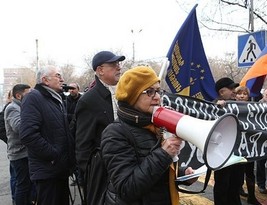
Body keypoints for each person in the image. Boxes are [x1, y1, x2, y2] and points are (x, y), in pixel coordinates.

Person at [101, 65, 197, 204]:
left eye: (158, 91)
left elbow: (155, 173)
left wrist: (182, 175)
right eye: (149, 91)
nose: (157, 97)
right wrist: (164, 154)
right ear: (132, 96)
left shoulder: (154, 125)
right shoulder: (115, 133)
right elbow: (126, 188)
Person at [74, 50, 125, 204]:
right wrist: (90, 176)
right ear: (100, 70)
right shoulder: (88, 100)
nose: (119, 68)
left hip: (125, 167)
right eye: (114, 64)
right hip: (104, 173)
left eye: (119, 64)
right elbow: (83, 145)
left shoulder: (124, 94)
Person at [20, 65, 75, 205]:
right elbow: (28, 135)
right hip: (48, 171)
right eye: (58, 75)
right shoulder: (33, 98)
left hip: (59, 169)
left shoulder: (55, 99)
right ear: (45, 80)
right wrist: (54, 155)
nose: (62, 79)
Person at [213, 77, 243, 205]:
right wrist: (217, 107)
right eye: (230, 89)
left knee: (236, 183)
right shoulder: (212, 106)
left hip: (237, 152)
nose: (234, 91)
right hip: (221, 154)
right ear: (221, 92)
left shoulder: (238, 105)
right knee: (223, 185)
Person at [5, 84, 32, 205]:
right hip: (19, 154)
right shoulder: (13, 108)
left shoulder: (21, 106)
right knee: (22, 185)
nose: (31, 96)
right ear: (18, 95)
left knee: (27, 184)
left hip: (25, 152)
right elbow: (19, 127)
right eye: (28, 93)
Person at [235, 86, 261, 205]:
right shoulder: (229, 106)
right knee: (238, 172)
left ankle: (251, 196)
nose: (242, 96)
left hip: (250, 145)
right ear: (235, 96)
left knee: (250, 171)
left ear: (248, 96)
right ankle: (237, 191)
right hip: (235, 146)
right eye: (239, 94)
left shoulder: (254, 108)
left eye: (245, 94)